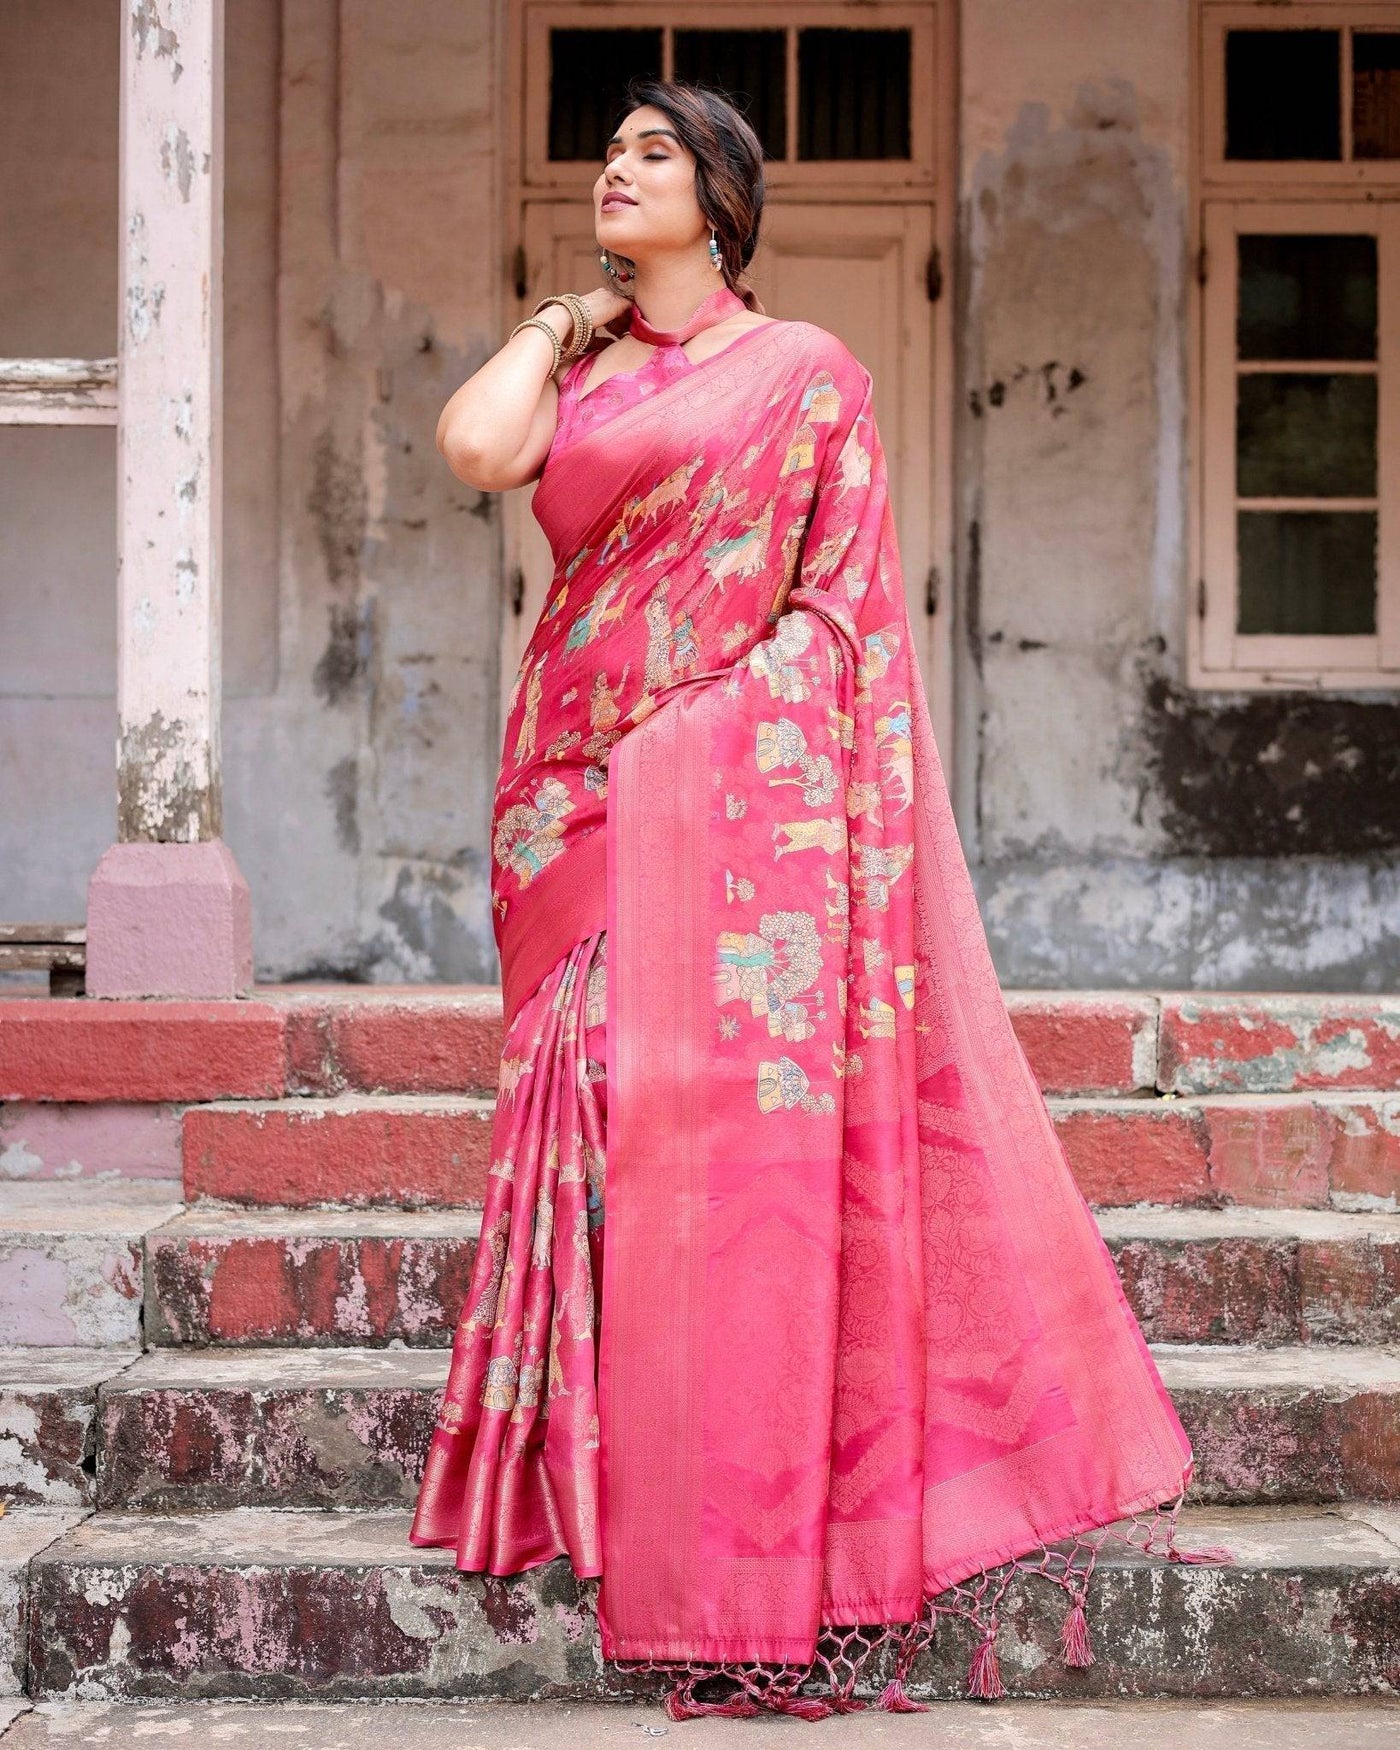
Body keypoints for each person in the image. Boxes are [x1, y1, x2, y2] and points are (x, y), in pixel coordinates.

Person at [410, 76, 1215, 1719]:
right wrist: (565, 319)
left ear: (722, 200)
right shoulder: (586, 371)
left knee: (702, 1149)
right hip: (565, 793)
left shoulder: (808, 376)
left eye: (653, 154)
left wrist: (689, 743)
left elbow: (837, 617)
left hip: (709, 799)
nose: (616, 170)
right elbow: (477, 448)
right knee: (596, 1138)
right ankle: (625, 1499)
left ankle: (730, 1532)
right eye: (609, 152)